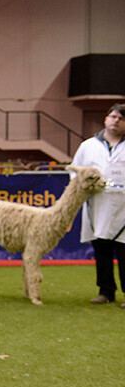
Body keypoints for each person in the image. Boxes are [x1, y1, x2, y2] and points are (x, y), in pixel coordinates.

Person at [70, 103, 125, 306]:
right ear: (106, 119)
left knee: (124, 252)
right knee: (101, 250)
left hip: (123, 207)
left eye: (120, 118)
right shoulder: (88, 146)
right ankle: (106, 292)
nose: (116, 121)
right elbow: (75, 172)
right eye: (113, 117)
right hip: (98, 205)